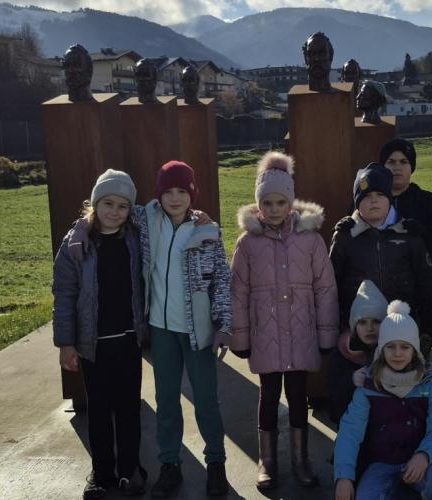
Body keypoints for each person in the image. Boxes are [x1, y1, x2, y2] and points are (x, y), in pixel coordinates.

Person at [228, 152, 339, 489]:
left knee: (298, 392)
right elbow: (238, 294)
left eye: (280, 202)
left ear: (291, 202)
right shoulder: (247, 244)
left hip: (302, 332)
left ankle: (301, 458)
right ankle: (268, 459)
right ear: (258, 204)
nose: (274, 209)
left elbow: (325, 288)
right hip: (266, 335)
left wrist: (326, 335)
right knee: (268, 393)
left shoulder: (311, 240)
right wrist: (242, 339)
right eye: (267, 202)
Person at [134, 161, 232, 498]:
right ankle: (170, 465)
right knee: (166, 401)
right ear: (158, 194)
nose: (174, 198)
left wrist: (223, 326)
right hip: (161, 331)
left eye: (182, 191)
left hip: (198, 332)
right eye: (167, 191)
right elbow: (113, 209)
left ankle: (216, 464)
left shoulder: (207, 232)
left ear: (192, 195)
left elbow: (221, 282)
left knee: (206, 400)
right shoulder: (147, 222)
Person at [52, 170, 149, 499]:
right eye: (108, 203)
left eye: (123, 206)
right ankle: (102, 472)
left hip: (128, 341)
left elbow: (168, 212)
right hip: (93, 346)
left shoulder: (135, 238)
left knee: (128, 410)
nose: (114, 212)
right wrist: (66, 343)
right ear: (95, 204)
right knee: (99, 412)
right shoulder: (76, 244)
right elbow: (64, 295)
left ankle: (129, 469)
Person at [333, 301, 432, 500]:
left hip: (422, 460)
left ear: (415, 350)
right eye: (391, 347)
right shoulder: (369, 383)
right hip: (382, 462)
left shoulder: (430, 380)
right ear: (382, 349)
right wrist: (344, 477)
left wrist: (425, 455)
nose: (398, 353)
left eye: (405, 347)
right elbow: (349, 432)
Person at [330, 162, 432, 356]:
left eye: (380, 195)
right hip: (360, 333)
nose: (374, 201)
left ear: (390, 199)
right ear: (356, 202)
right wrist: (341, 328)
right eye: (366, 196)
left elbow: (427, 284)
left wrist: (427, 331)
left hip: (402, 331)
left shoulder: (409, 234)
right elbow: (332, 286)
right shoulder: (345, 237)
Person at [380, 138, 432, 280]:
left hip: (419, 284)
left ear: (411, 167)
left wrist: (423, 232)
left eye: (404, 161)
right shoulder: (369, 202)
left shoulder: (430, 202)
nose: (397, 167)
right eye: (391, 162)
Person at [327, 279, 388, 425]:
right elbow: (333, 409)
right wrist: (351, 380)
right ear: (354, 326)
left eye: (376, 321)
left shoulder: (394, 350)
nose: (369, 328)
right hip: (352, 428)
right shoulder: (342, 355)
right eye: (362, 322)